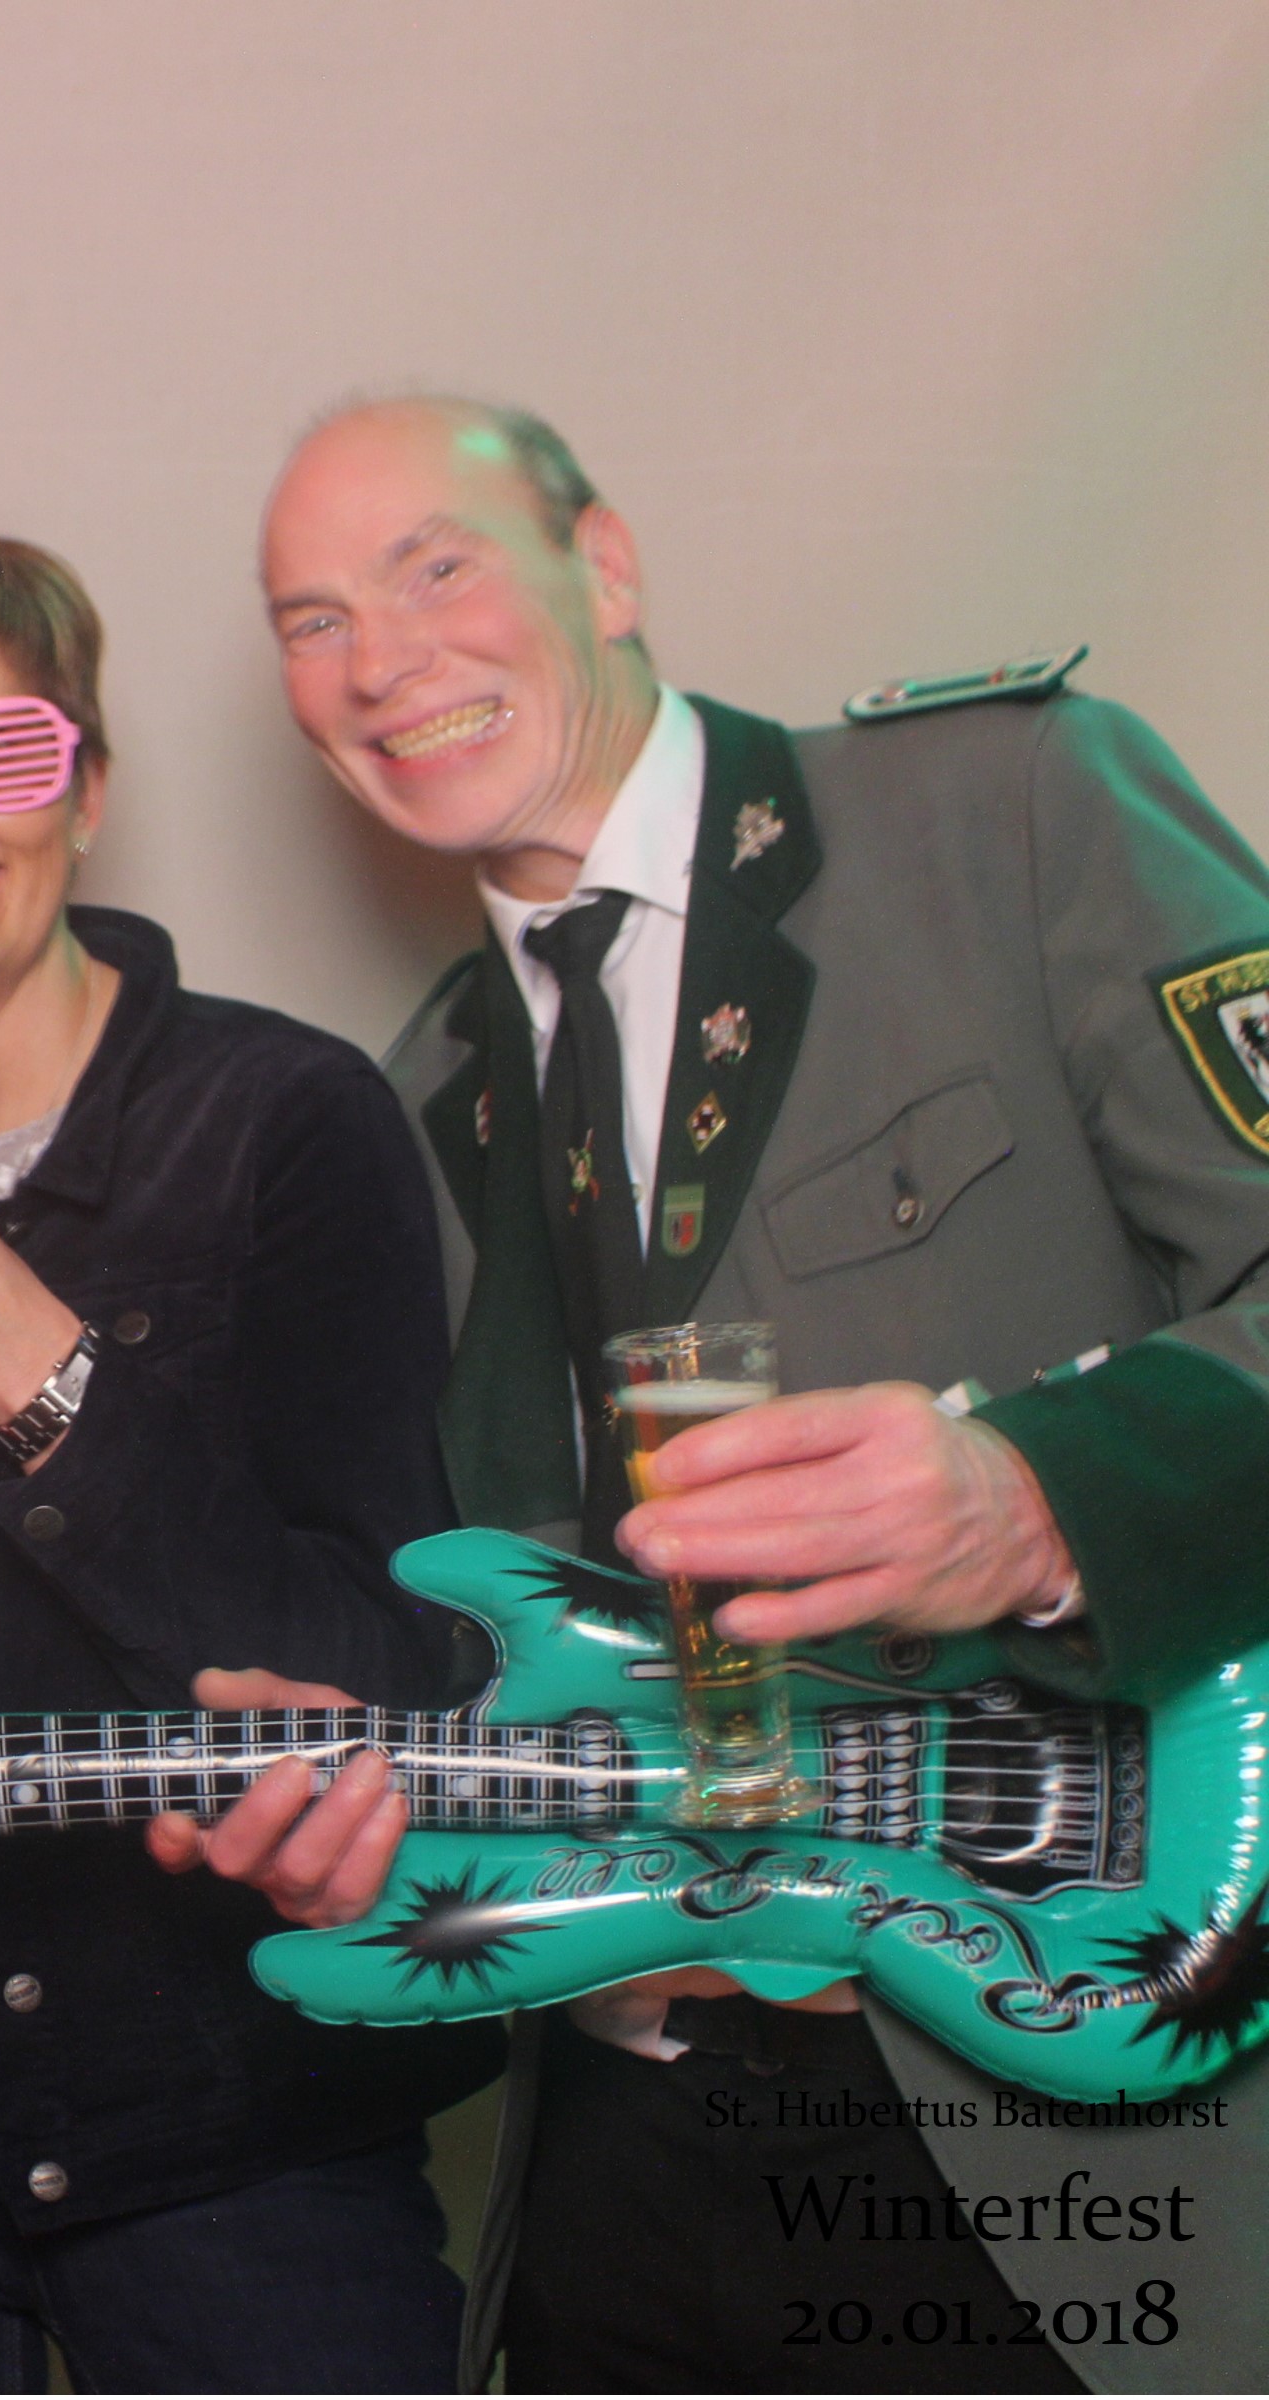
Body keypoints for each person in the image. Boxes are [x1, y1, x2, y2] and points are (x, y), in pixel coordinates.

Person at [154, 393, 1269, 2391]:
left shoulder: (1007, 807)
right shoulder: (411, 1103)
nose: (379, 659)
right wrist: (377, 1798)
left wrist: (1042, 1499)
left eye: (434, 566)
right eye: (310, 620)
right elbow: (519, 1638)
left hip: (1069, 2132)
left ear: (606, 567)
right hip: (627, 2151)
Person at [0, 522, 502, 2394]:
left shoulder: (284, 1116)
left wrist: (29, 1360)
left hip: (209, 2078)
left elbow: (391, 1672)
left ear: (89, 788)